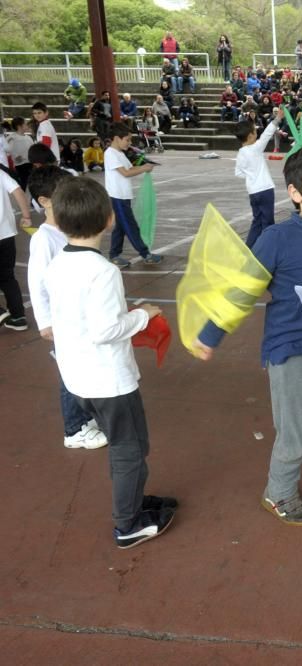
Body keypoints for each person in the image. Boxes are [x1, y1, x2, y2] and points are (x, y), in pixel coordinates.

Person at [194, 146, 302, 526]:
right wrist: (211, 333)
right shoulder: (277, 238)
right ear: (295, 193)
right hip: (289, 347)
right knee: (296, 429)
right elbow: (243, 289)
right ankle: (280, 492)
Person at [44, 177, 177, 548]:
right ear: (108, 219)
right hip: (108, 382)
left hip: (77, 376)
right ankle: (128, 522)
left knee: (129, 445)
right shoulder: (103, 272)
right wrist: (144, 314)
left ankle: (133, 502)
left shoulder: (58, 264)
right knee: (130, 449)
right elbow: (106, 330)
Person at [26, 165, 109, 449]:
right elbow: (37, 284)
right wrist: (45, 321)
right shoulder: (43, 238)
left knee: (82, 369)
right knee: (68, 374)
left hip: (79, 316)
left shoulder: (66, 231)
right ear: (45, 201)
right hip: (62, 321)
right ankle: (74, 429)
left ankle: (86, 419)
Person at [103, 123, 163, 267]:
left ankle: (114, 255)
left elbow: (130, 168)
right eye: (127, 140)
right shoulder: (110, 153)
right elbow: (125, 172)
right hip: (117, 197)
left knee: (121, 227)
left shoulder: (120, 154)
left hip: (123, 196)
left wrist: (145, 167)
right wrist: (143, 168)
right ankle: (145, 254)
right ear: (117, 138)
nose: (130, 143)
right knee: (130, 226)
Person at [235, 108, 284, 249]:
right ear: (250, 136)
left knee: (257, 221)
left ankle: (249, 247)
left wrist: (250, 176)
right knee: (268, 222)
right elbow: (267, 134)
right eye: (255, 131)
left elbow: (238, 173)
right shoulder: (255, 148)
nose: (257, 133)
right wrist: (277, 119)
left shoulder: (240, 153)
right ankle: (269, 249)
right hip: (265, 190)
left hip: (253, 192)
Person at [0, 164, 32, 331]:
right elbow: (18, 191)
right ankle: (18, 317)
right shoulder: (1, 173)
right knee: (7, 277)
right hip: (6, 234)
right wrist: (26, 216)